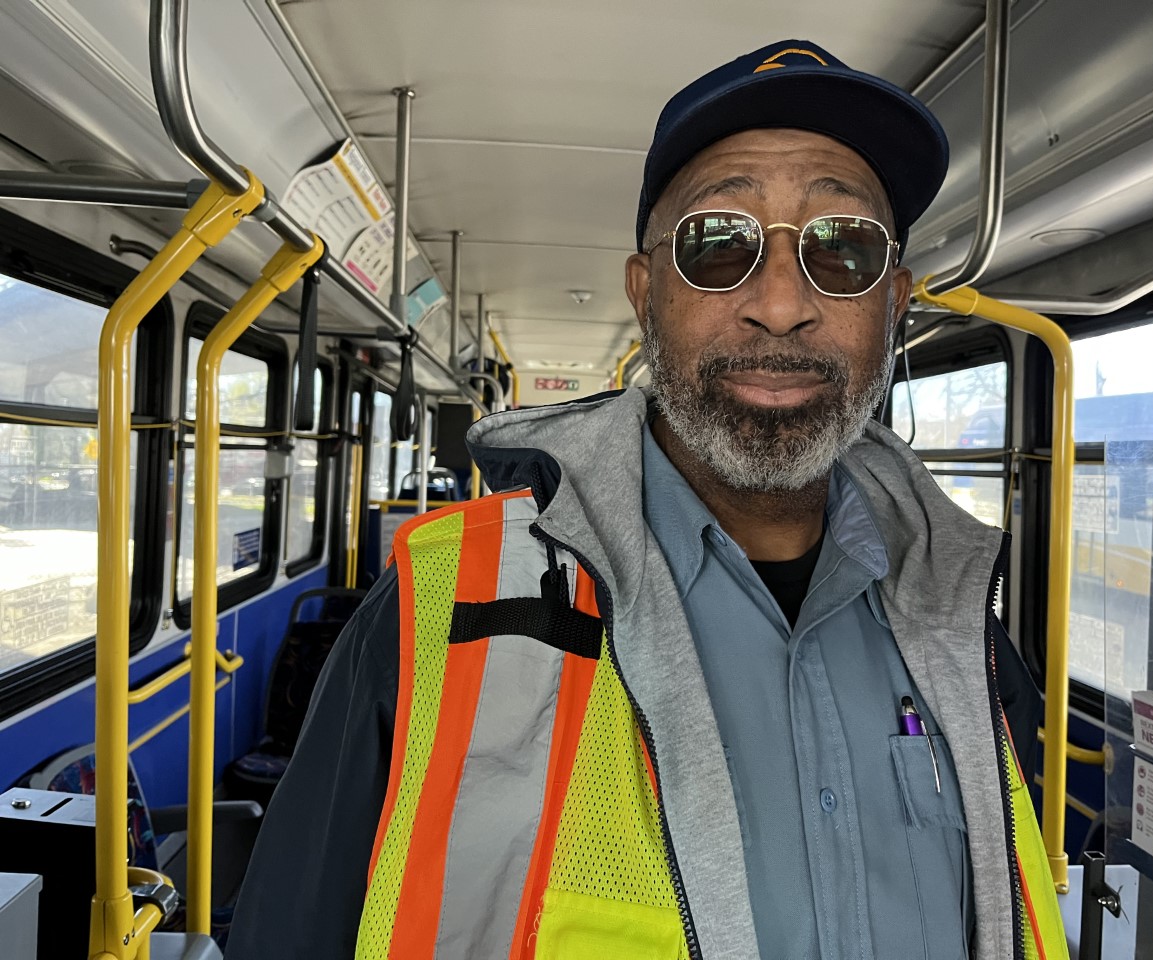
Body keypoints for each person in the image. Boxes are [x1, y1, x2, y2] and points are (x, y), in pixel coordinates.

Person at [227, 40, 1067, 960]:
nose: (780, 303)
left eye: (844, 248)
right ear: (646, 292)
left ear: (894, 302)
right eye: (718, 245)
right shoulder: (440, 612)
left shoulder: (963, 631)